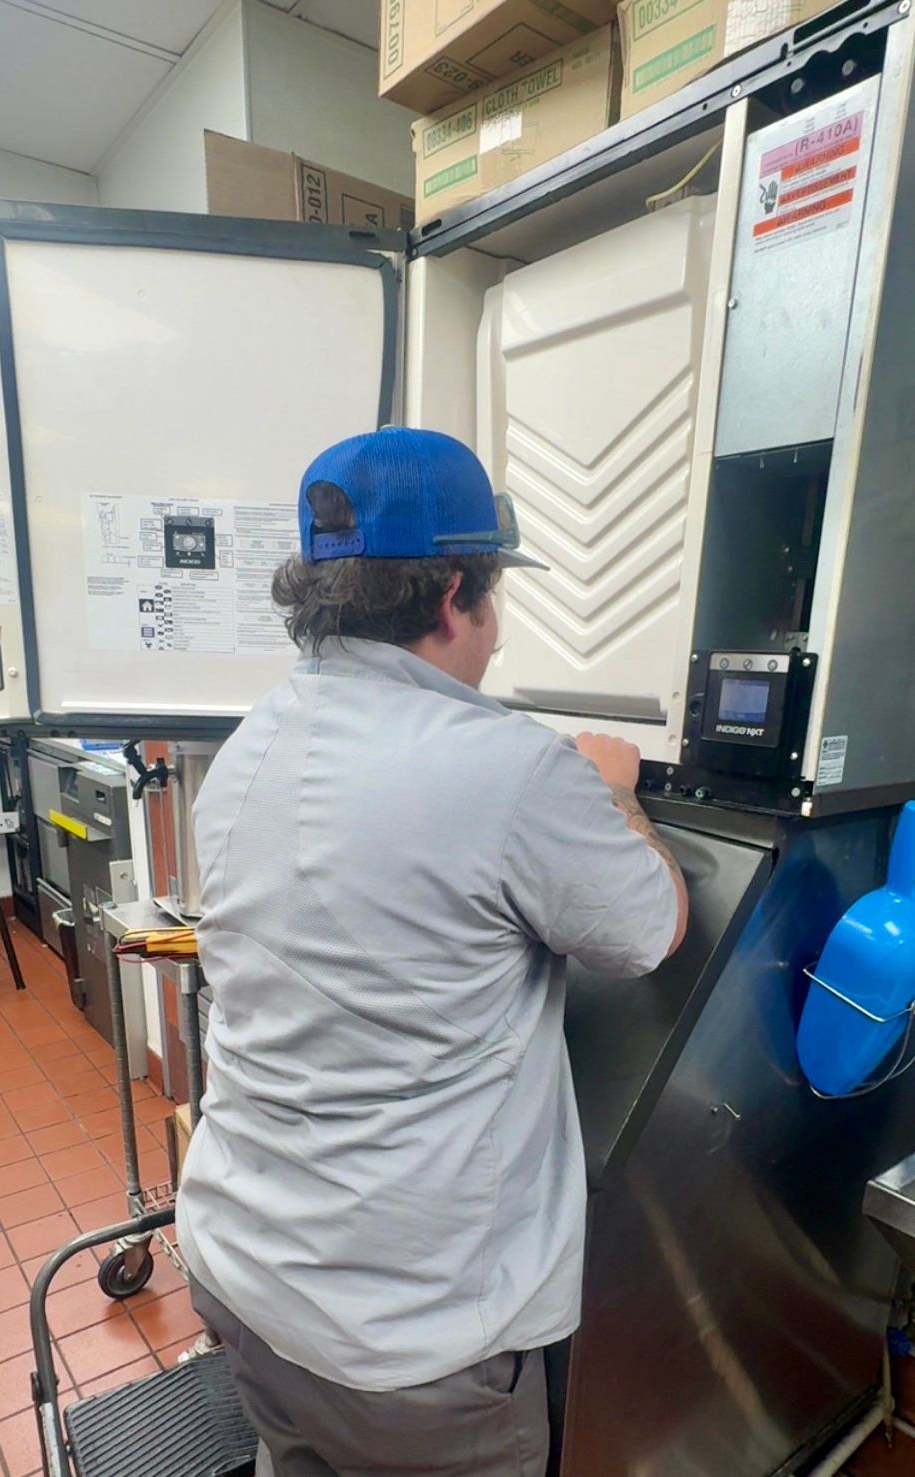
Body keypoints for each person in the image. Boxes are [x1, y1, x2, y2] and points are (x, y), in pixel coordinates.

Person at [177, 427, 688, 1477]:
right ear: (455, 593)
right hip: (406, 1343)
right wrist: (618, 796)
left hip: (240, 1268)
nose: (494, 632)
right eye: (493, 597)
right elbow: (647, 931)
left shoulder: (244, 752)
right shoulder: (506, 768)